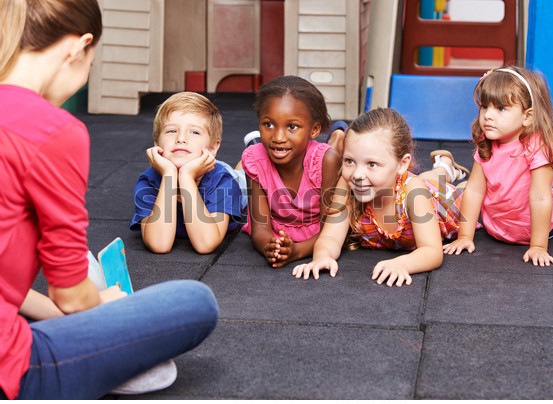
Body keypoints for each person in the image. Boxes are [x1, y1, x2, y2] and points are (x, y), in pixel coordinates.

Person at [0, 0, 217, 399]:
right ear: (78, 47)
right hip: (10, 366)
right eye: (91, 63)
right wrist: (104, 304)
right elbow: (69, 294)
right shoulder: (54, 130)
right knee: (195, 301)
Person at [292, 107, 469, 287]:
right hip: (402, 184)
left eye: (372, 164)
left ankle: (445, 168)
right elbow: (330, 237)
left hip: (441, 201)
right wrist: (322, 257)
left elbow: (432, 251)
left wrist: (402, 263)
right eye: (349, 161)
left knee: (459, 191)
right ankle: (443, 167)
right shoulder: (348, 184)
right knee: (422, 180)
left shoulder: (414, 190)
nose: (358, 174)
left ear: (402, 164)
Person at [443, 66, 553, 266]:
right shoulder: (487, 142)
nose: (488, 115)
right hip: (496, 228)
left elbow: (539, 197)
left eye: (501, 108)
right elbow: (474, 190)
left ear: (527, 117)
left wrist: (538, 246)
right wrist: (465, 236)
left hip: (540, 229)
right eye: (485, 106)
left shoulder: (537, 147)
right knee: (546, 195)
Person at [241, 75, 342, 268]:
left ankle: (338, 136)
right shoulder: (254, 160)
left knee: (338, 155)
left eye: (292, 127)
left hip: (316, 235)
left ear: (314, 130)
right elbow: (260, 228)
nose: (278, 137)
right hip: (278, 228)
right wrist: (269, 247)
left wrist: (297, 251)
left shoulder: (326, 162)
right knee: (251, 156)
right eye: (268, 124)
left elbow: (331, 231)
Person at [130, 91, 245, 254]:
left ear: (213, 147)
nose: (181, 138)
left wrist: (186, 177)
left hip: (224, 173)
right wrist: (170, 174)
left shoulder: (224, 182)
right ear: (157, 143)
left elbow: (205, 244)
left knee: (246, 178)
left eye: (195, 132)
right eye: (171, 131)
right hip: (196, 166)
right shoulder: (148, 182)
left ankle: (252, 152)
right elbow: (159, 244)